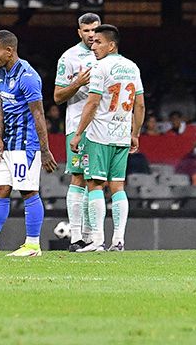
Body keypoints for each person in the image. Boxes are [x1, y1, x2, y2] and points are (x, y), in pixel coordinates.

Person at [0, 30, 56, 257]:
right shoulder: (1, 72)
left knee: (28, 191)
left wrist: (44, 150)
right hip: (7, 144)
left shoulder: (28, 77)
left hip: (26, 143)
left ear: (9, 51)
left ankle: (33, 245)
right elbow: (3, 104)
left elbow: (39, 115)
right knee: (0, 191)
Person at [70, 24, 144, 252]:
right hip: (121, 135)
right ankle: (118, 240)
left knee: (95, 185)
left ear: (111, 45)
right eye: (92, 42)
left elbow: (92, 102)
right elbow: (139, 104)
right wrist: (135, 133)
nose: (93, 46)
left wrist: (79, 133)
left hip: (99, 135)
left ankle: (97, 240)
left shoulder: (100, 67)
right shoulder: (132, 67)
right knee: (118, 186)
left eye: (98, 42)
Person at [53, 12, 101, 251]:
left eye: (95, 30)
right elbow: (57, 96)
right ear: (79, 32)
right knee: (79, 177)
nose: (91, 35)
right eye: (87, 31)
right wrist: (78, 83)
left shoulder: (110, 57)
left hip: (104, 128)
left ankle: (93, 237)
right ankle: (76, 237)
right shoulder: (69, 57)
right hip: (77, 126)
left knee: (98, 180)